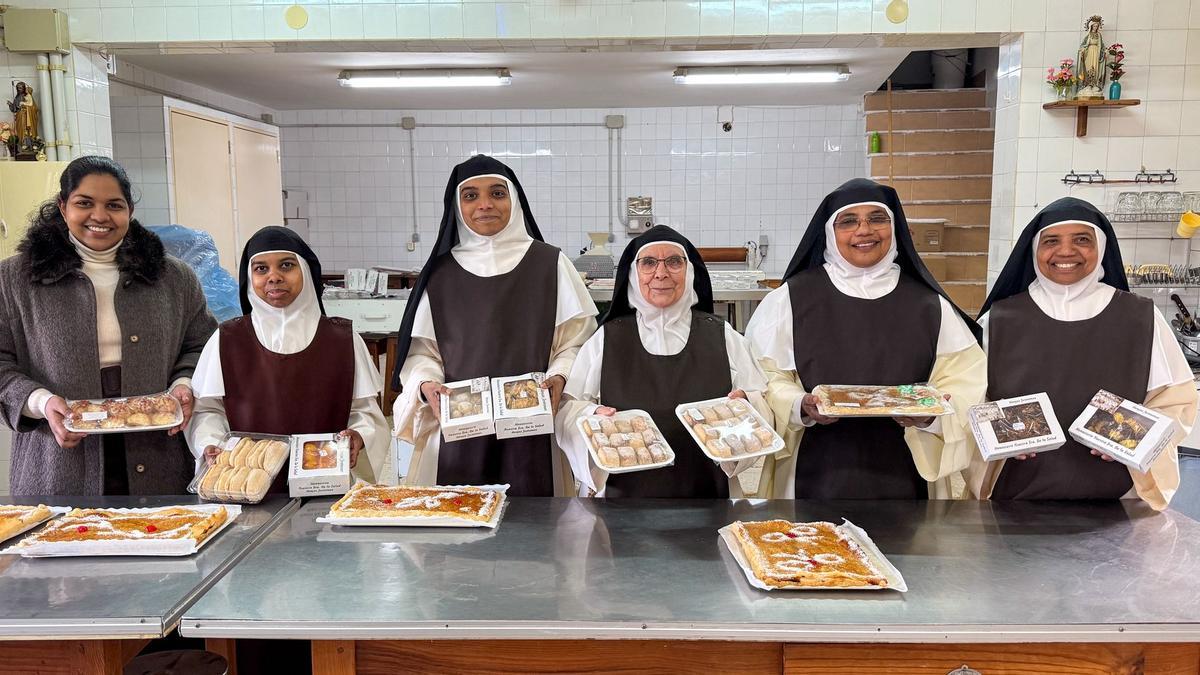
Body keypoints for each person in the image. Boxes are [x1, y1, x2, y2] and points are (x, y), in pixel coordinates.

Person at [745, 178, 986, 499]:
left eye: (877, 219)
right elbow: (764, 378)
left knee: (906, 549)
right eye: (848, 221)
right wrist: (799, 405)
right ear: (829, 232)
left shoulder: (930, 304)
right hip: (813, 466)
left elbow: (967, 384)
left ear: (895, 228)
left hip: (906, 467)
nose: (864, 231)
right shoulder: (789, 299)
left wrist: (929, 413)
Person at [0, 156, 216, 495]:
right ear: (62, 206)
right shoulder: (14, 278)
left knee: (162, 534)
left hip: (157, 453)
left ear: (129, 210)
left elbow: (200, 344)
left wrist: (184, 383)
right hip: (58, 462)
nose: (99, 216)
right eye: (84, 203)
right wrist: (41, 402)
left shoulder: (173, 277)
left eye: (113, 205)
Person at [966, 197, 1197, 509]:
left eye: (1081, 240)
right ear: (1034, 250)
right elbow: (973, 402)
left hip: (1119, 502)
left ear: (1101, 248)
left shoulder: (1140, 316)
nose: (1065, 251)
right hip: (1012, 498)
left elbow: (1176, 403)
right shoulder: (1000, 318)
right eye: (1051, 241)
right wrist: (997, 435)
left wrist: (1137, 439)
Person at [393, 155, 597, 496]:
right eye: (470, 195)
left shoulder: (550, 263)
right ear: (457, 205)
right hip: (458, 429)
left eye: (497, 193)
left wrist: (560, 375)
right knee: (457, 530)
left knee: (535, 529)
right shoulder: (440, 275)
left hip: (534, 426)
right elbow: (421, 354)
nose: (485, 205)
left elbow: (577, 343)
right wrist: (427, 385)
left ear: (514, 199)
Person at [556, 225, 770, 497]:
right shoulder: (607, 338)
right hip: (620, 495)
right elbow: (568, 409)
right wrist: (591, 417)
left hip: (709, 490)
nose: (661, 273)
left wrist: (748, 407)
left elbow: (761, 403)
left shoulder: (722, 335)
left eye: (673, 262)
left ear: (689, 271)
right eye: (648, 263)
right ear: (633, 274)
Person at [189, 226, 389, 487]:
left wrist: (359, 436)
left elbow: (364, 412)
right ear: (249, 277)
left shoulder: (344, 339)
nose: (274, 277)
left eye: (286, 265)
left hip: (324, 483)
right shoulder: (226, 340)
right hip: (245, 483)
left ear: (305, 271)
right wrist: (210, 443)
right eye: (261, 268)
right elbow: (207, 411)